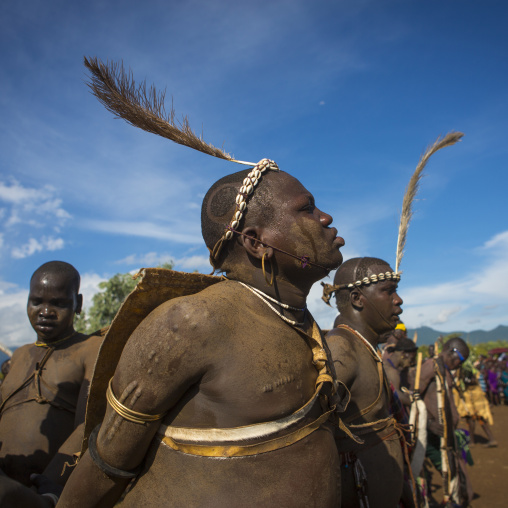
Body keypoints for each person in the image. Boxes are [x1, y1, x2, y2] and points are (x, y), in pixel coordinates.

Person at [58, 165, 346, 508]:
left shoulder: (301, 323)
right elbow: (108, 461)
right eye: (306, 208)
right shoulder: (191, 322)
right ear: (256, 242)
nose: (325, 217)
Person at [0, 261, 103, 495]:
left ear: (78, 303)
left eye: (59, 303)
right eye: (36, 301)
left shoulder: (91, 349)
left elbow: (87, 426)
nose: (45, 311)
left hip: (46, 490)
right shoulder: (20, 354)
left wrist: (52, 483)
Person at [322, 256, 407, 508]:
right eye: (388, 291)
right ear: (358, 299)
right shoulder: (342, 349)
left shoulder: (364, 346)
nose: (399, 300)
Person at [419, 337, 472, 507]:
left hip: (444, 435)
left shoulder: (445, 369)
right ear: (451, 352)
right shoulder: (431, 366)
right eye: (461, 360)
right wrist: (429, 423)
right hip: (429, 434)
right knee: (448, 474)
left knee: (455, 476)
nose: (460, 365)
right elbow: (412, 397)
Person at [454, 364, 497, 447]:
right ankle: (490, 439)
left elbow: (469, 382)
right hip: (476, 398)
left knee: (472, 420)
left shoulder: (467, 374)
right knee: (479, 420)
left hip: (472, 399)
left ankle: (472, 441)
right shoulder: (473, 373)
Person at [383, 338, 418, 408]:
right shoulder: (391, 372)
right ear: (403, 354)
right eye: (411, 359)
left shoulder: (385, 364)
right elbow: (395, 393)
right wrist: (413, 403)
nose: (410, 364)